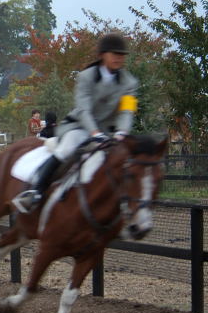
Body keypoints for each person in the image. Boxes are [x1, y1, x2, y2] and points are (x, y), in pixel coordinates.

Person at [13, 33, 138, 213]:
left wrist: (122, 133)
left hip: (109, 132)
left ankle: (127, 203)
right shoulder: (86, 77)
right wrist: (95, 133)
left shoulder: (129, 82)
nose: (119, 58)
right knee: (66, 150)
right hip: (80, 127)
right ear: (103, 55)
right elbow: (83, 109)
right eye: (115, 54)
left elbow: (127, 111)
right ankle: (36, 192)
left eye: (122, 55)